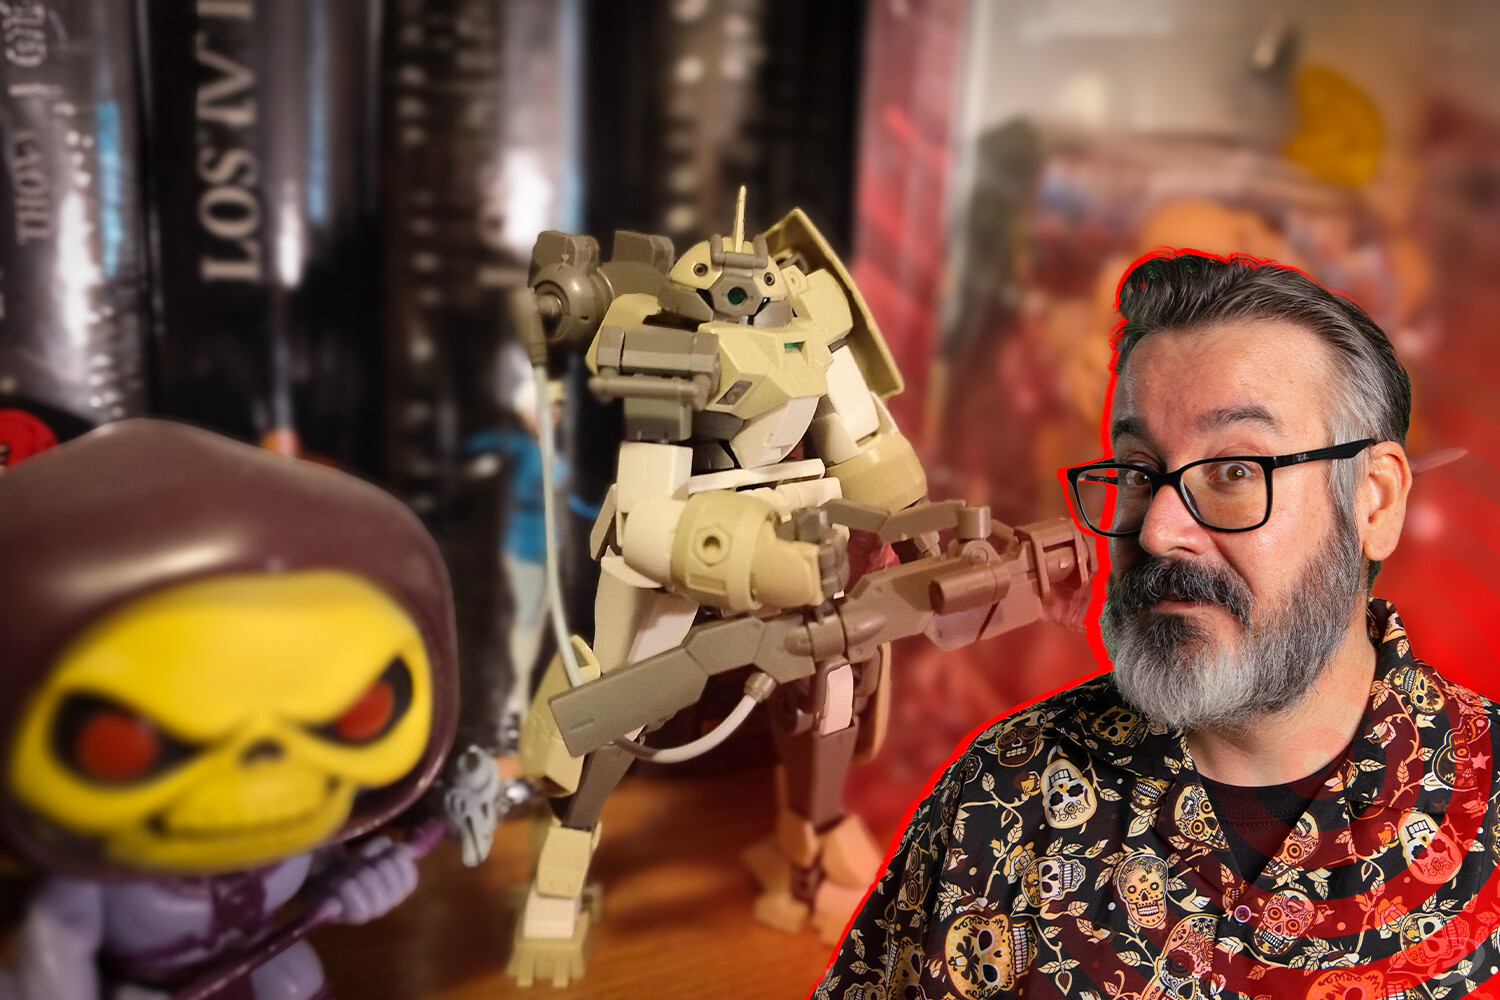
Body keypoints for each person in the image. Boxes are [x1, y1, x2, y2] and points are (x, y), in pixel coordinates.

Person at [815, 251, 1500, 1000]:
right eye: (1140, 472)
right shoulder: (1001, 792)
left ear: (1375, 501)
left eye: (1235, 471)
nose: (1158, 530)